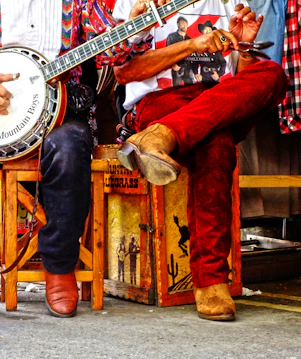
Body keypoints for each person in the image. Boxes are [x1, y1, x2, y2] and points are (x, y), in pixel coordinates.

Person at [0, 0, 170, 318]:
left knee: (69, 150)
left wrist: (135, 30)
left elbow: (113, 51)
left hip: (60, 110)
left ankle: (59, 266)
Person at [113, 0, 288, 321]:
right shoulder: (136, 3)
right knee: (217, 144)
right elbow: (125, 71)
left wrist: (244, 47)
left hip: (214, 102)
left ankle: (162, 136)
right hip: (159, 102)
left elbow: (241, 83)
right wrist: (193, 44)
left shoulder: (227, 2)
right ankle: (211, 281)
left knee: (273, 73)